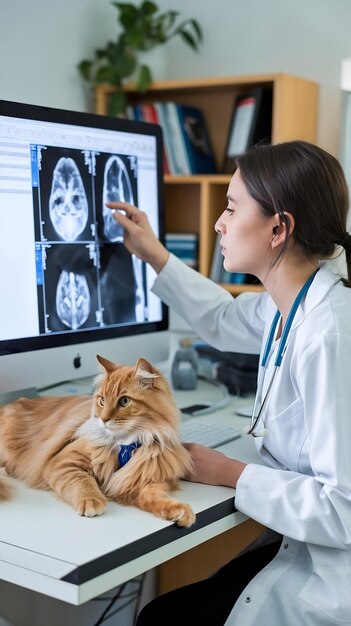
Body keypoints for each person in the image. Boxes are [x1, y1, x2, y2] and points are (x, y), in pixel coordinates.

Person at [106, 140, 351, 626]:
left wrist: (231, 474)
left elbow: (343, 511)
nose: (219, 222)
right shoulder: (292, 303)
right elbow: (221, 318)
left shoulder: (329, 334)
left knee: (160, 620)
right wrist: (154, 253)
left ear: (278, 228)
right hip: (296, 542)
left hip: (329, 576)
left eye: (232, 207)